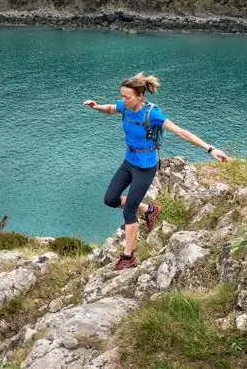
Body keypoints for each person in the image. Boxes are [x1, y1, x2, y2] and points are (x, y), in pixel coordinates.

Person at [82, 72, 229, 270]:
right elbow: (110, 108)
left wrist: (210, 149)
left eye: (127, 97)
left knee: (128, 211)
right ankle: (149, 209)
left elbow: (181, 132)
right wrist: (97, 106)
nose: (123, 100)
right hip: (129, 162)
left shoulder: (152, 114)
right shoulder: (124, 107)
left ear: (140, 96)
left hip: (145, 167)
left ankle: (128, 257)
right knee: (110, 200)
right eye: (122, 96)